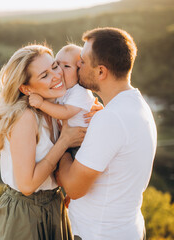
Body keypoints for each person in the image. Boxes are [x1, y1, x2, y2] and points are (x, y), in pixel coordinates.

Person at [56, 27, 157, 240]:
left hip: (98, 233)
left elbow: (74, 188)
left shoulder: (110, 119)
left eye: (82, 62)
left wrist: (63, 142)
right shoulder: (137, 106)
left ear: (101, 72)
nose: (77, 66)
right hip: (126, 228)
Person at [0, 44, 86, 240]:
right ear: (26, 88)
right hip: (25, 216)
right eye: (44, 75)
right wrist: (64, 142)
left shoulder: (54, 109)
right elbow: (27, 185)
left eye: (54, 66)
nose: (56, 75)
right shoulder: (25, 117)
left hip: (54, 207)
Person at [28, 44, 97, 158]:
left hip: (82, 143)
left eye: (66, 66)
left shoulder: (80, 91)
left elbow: (65, 112)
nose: (60, 70)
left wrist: (41, 103)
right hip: (69, 140)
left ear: (80, 72)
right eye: (57, 64)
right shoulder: (64, 90)